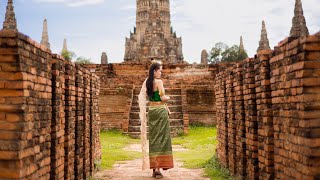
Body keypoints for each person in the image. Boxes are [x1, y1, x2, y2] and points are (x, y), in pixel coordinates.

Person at [138, 60, 174, 179]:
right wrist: (169, 97)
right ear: (155, 71)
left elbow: (148, 98)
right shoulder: (159, 82)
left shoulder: (147, 82)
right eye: (160, 71)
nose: (161, 73)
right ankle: (158, 169)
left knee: (154, 139)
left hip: (152, 111)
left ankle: (155, 168)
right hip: (160, 112)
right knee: (162, 139)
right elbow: (163, 97)